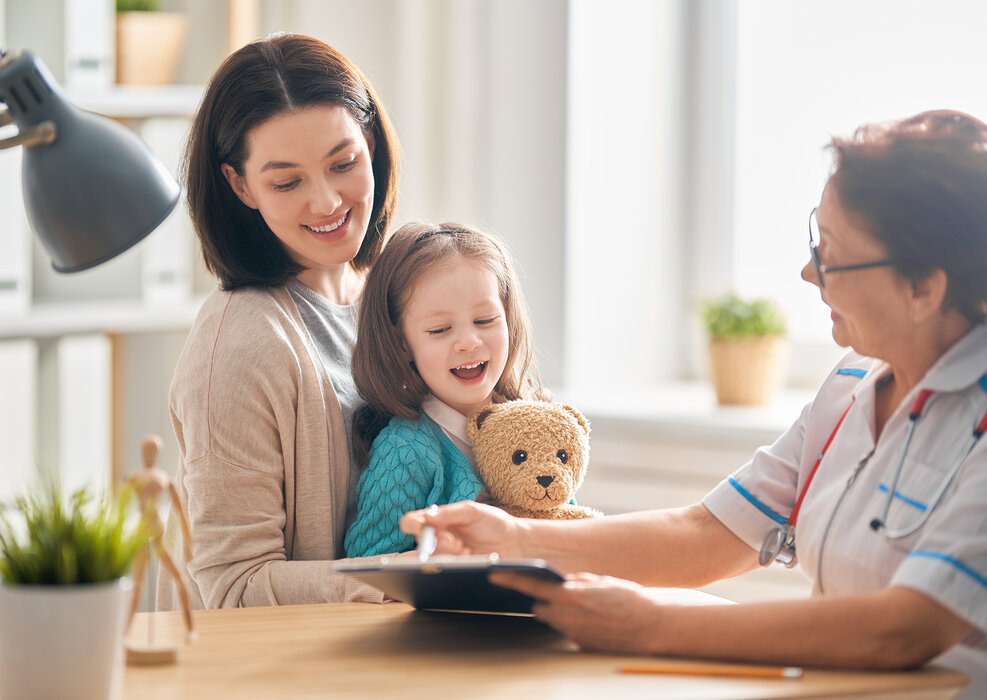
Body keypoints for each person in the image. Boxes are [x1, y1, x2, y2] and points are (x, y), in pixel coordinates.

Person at [400, 110, 987, 696]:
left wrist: (654, 625)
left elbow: (907, 628)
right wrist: (515, 540)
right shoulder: (854, 379)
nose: (808, 272)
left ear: (923, 288)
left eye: (831, 255)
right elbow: (710, 533)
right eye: (815, 240)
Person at [156, 33, 401, 610]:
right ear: (240, 185)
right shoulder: (240, 344)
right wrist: (405, 581)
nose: (326, 202)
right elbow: (232, 587)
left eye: (343, 163)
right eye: (286, 181)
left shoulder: (399, 299)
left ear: (370, 142)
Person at [344, 222, 541, 557]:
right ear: (400, 344)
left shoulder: (534, 422)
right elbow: (367, 565)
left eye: (485, 321)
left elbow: (566, 521)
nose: (468, 341)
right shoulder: (405, 451)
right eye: (439, 329)